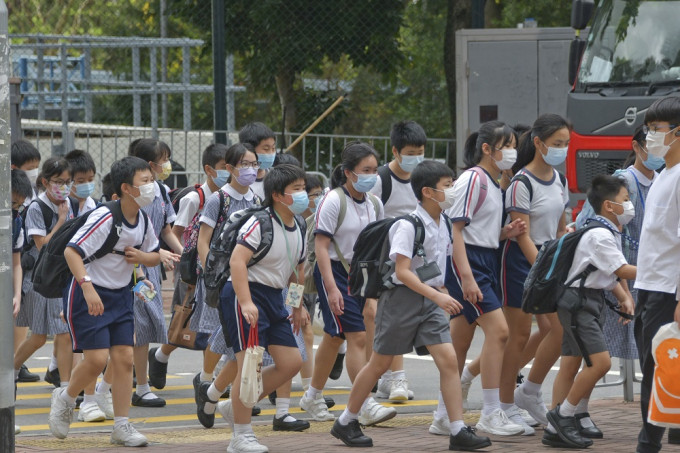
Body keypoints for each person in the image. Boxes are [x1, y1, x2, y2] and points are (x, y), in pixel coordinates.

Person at [331, 160, 492, 451]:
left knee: (448, 360)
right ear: (428, 192)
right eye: (448, 186)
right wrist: (438, 296)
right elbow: (402, 271)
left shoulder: (443, 222)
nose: (453, 190)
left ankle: (457, 430)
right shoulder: (408, 225)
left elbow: (436, 263)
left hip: (429, 300)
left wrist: (442, 290)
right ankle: (346, 420)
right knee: (378, 364)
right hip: (401, 301)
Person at [47, 156, 161, 446]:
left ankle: (121, 426)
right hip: (89, 292)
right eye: (145, 182)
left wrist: (141, 267)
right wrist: (87, 287)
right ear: (126, 188)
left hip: (121, 295)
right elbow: (73, 252)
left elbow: (151, 254)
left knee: (123, 359)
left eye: (151, 180)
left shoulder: (144, 219)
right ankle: (66, 397)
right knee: (97, 359)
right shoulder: (105, 216)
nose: (152, 186)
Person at [439, 121, 526, 437]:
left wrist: (504, 232)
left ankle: (442, 415)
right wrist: (467, 278)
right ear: (487, 148)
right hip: (470, 264)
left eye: (514, 144)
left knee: (460, 343)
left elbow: (477, 229)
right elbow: (456, 230)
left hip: (482, 260)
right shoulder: (473, 179)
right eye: (507, 145)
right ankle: (491, 412)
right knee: (500, 331)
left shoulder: (492, 182)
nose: (512, 151)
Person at [217, 164, 310, 453]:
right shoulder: (260, 222)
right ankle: (240, 436)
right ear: (277, 195)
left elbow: (298, 269)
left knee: (291, 362)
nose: (303, 194)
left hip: (274, 297)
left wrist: (296, 306)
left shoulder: (300, 225)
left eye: (303, 187)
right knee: (250, 366)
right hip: (245, 292)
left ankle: (236, 405)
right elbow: (237, 261)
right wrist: (246, 302)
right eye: (296, 189)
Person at [300, 141, 394, 426]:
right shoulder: (333, 201)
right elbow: (321, 247)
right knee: (357, 336)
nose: (371, 175)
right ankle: (364, 403)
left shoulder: (375, 204)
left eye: (374, 170)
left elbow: (379, 246)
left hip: (363, 274)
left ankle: (312, 396)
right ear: (348, 173)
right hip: (335, 272)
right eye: (365, 170)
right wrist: (330, 288)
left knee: (335, 336)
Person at [546, 175, 636, 448]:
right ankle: (563, 416)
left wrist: (623, 296)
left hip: (586, 300)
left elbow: (605, 274)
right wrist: (661, 272)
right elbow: (621, 270)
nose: (629, 205)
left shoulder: (605, 230)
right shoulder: (600, 235)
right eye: (625, 200)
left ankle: (554, 429)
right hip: (578, 303)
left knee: (573, 362)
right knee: (601, 363)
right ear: (609, 206)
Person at [503, 114, 572, 428]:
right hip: (522, 263)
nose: (562, 149)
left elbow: (559, 228)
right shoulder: (521, 182)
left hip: (548, 263)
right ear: (538, 143)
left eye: (566, 144)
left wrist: (562, 257)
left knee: (556, 331)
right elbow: (522, 233)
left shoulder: (560, 180)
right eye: (557, 144)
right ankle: (503, 404)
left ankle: (527, 391)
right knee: (517, 337)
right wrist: (545, 270)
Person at [194, 143, 267, 427]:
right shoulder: (218, 200)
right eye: (244, 164)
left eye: (254, 164)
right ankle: (215, 389)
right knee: (229, 336)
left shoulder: (257, 199)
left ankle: (215, 392)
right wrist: (212, 272)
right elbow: (203, 240)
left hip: (249, 280)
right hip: (223, 281)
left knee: (237, 339)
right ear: (230, 168)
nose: (250, 170)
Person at [147, 143, 230, 388]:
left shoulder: (227, 198)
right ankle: (163, 356)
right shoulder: (195, 198)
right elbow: (176, 231)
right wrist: (186, 259)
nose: (230, 173)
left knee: (212, 323)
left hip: (218, 269)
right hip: (193, 271)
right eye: (224, 168)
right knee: (188, 318)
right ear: (209, 169)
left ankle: (206, 377)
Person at [634, 95, 680, 453]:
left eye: (656, 129)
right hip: (649, 286)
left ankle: (647, 444)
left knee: (656, 371)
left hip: (668, 291)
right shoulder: (665, 173)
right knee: (656, 368)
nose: (650, 136)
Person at [368, 120, 426, 402]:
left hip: (410, 259)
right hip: (384, 260)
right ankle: (395, 379)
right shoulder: (381, 180)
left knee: (393, 318)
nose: (417, 156)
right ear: (395, 151)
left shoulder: (421, 179)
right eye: (411, 151)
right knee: (390, 318)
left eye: (421, 150)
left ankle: (386, 378)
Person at [14, 157, 78, 392]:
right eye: (58, 181)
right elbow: (43, 247)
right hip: (41, 279)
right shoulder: (36, 208)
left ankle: (65, 385)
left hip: (61, 276)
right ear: (44, 181)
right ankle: (11, 370)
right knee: (40, 337)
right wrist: (61, 222)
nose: (63, 186)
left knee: (62, 332)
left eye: (67, 181)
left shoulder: (69, 203)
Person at [127, 138, 182, 407]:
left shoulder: (160, 190)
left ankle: (135, 384)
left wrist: (183, 254)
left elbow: (166, 231)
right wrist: (156, 254)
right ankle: (136, 386)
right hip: (133, 270)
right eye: (163, 159)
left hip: (150, 271)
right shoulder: (133, 194)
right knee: (136, 329)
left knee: (145, 328)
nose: (167, 165)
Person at [10, 140, 42, 384]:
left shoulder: (17, 217)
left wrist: (17, 293)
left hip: (25, 264)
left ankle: (14, 366)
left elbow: (16, 261)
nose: (35, 172)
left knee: (20, 319)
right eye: (30, 167)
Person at [239, 122, 277, 200]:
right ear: (249, 148)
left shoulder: (275, 178)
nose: (271, 153)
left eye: (273, 148)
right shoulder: (239, 181)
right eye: (266, 149)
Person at [65, 149, 98, 214]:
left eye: (90, 180)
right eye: (81, 181)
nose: (87, 184)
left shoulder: (96, 206)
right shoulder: (61, 206)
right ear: (68, 181)